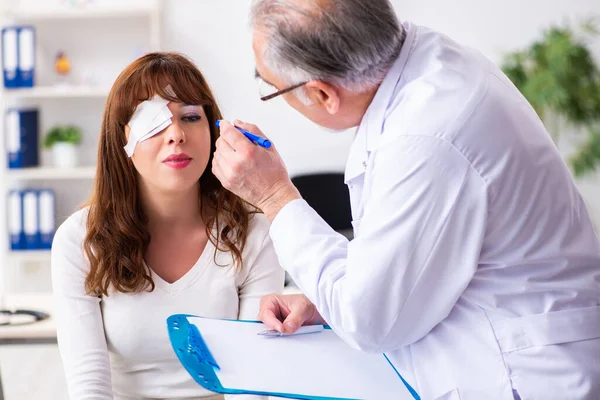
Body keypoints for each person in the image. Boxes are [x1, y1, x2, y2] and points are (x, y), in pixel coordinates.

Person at [211, 1, 600, 399]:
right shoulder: (428, 66)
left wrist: (274, 195)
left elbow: (371, 321)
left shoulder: (425, 138)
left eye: (269, 85)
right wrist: (328, 300)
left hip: (525, 374)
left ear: (323, 94)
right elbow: (415, 256)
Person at [51, 52, 284, 400]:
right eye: (154, 121)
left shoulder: (253, 233)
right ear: (122, 139)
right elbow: (89, 386)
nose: (175, 134)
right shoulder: (80, 240)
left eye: (190, 117)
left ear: (213, 130)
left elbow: (249, 382)